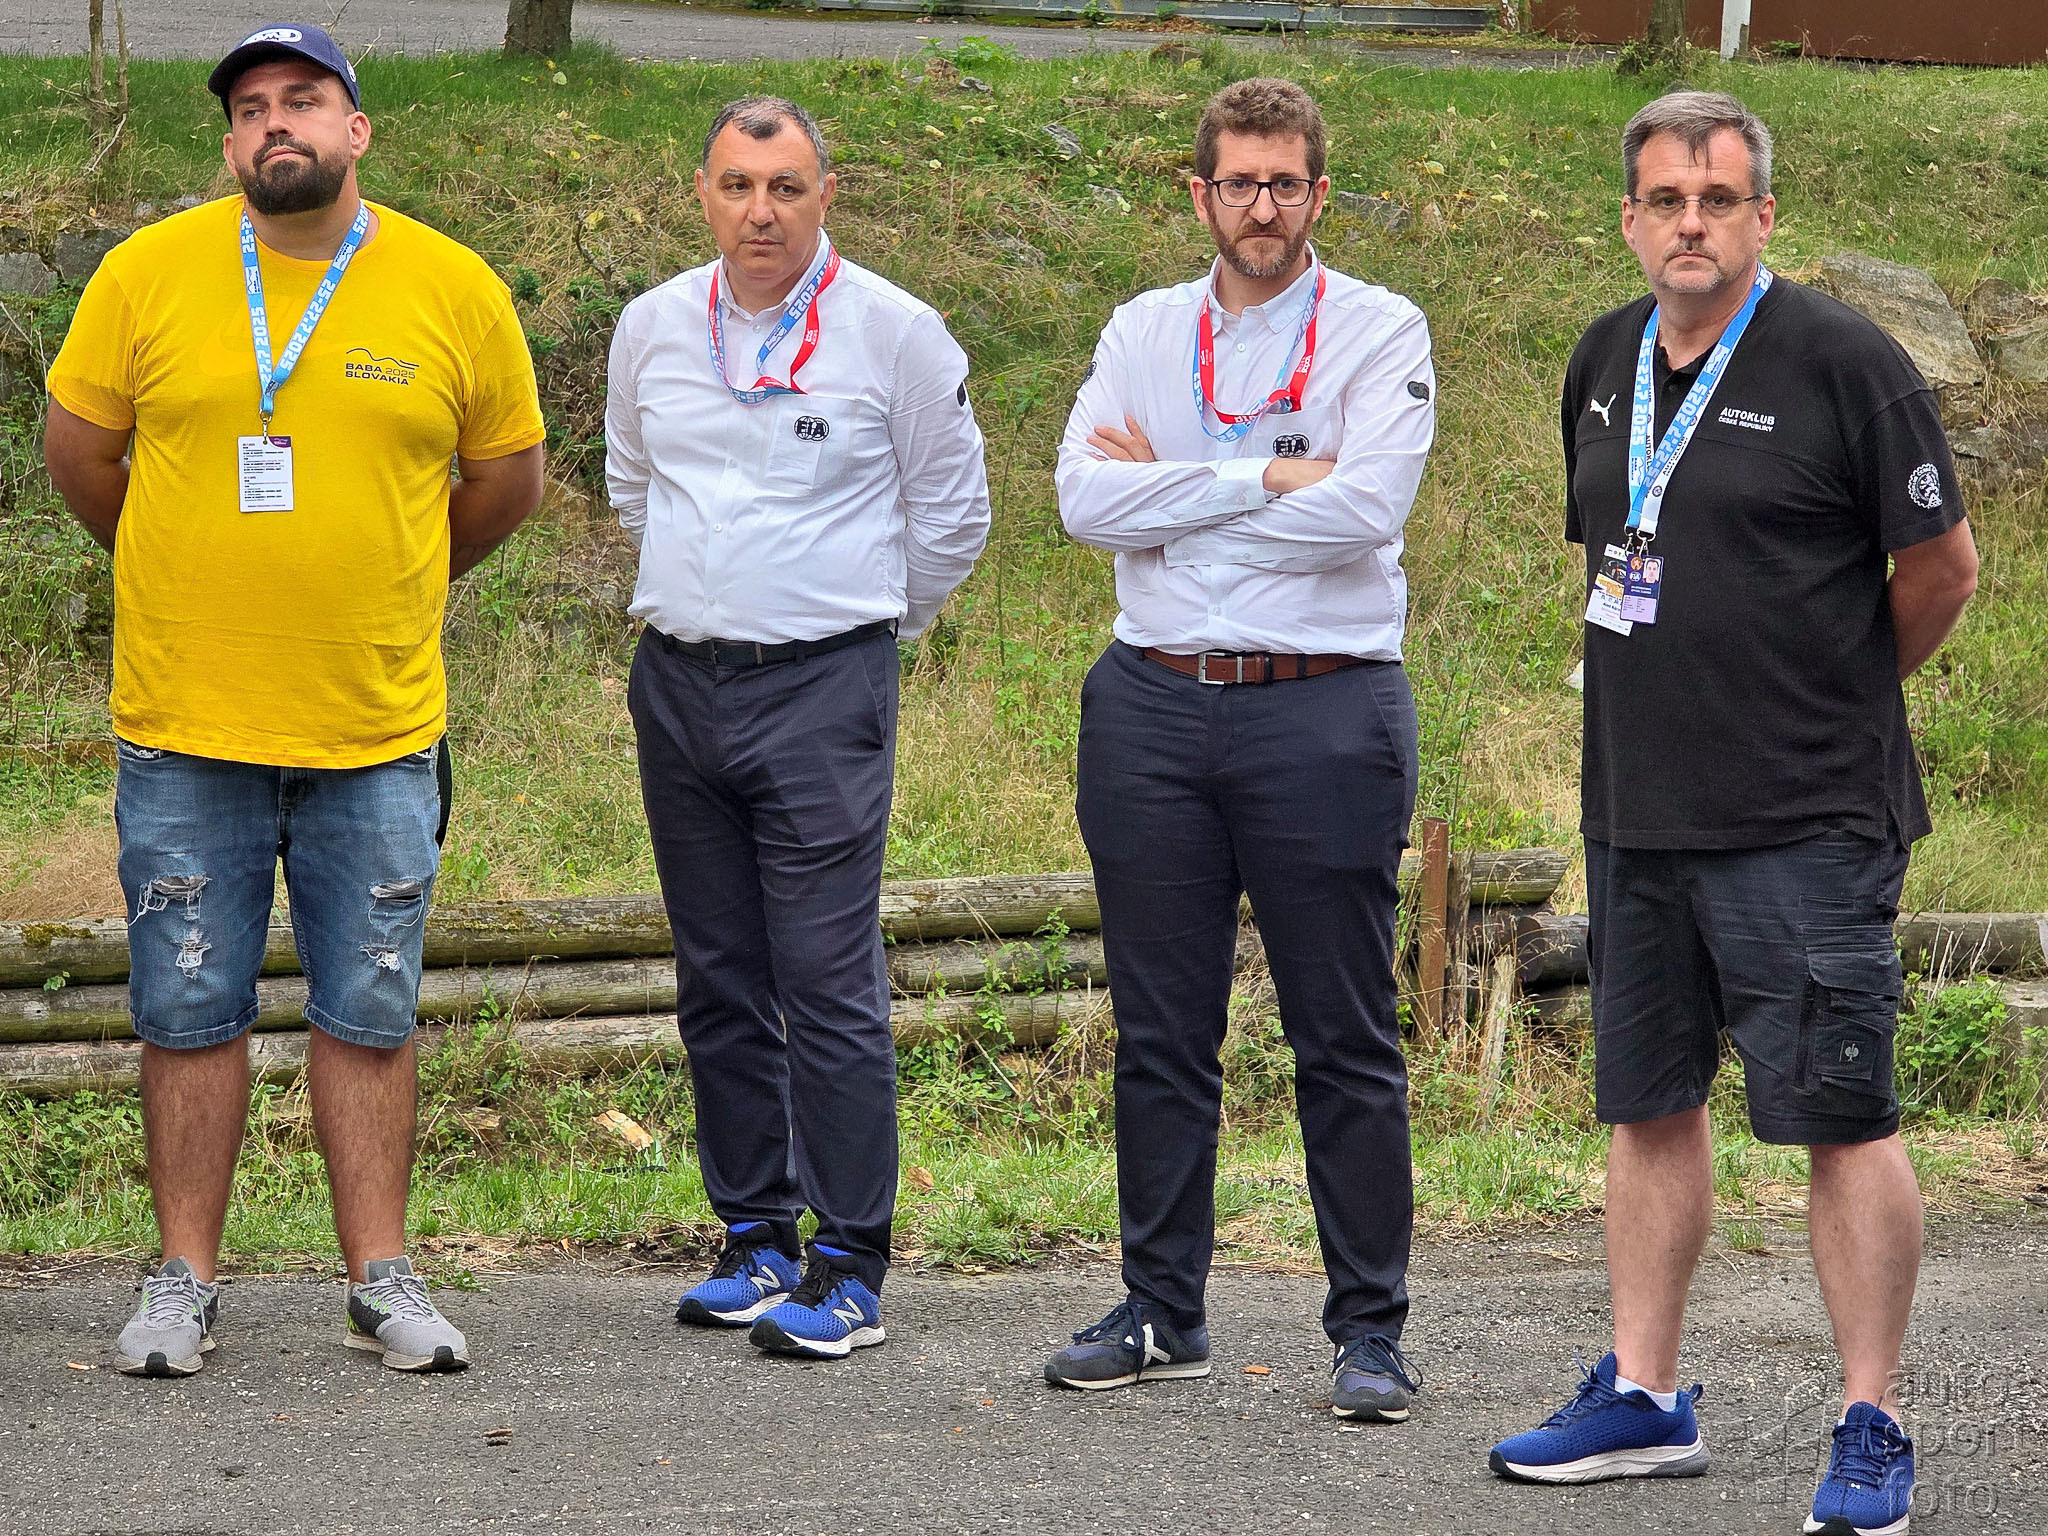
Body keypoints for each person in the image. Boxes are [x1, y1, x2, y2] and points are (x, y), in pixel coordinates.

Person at [1487, 92, 1977, 1536]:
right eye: (1664, 199)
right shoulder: (1601, 359)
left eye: (1715, 199)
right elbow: (1618, 548)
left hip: (1806, 815)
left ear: (1762, 215)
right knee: (1647, 1107)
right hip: (1637, 812)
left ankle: (1871, 1421)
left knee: (1841, 1116)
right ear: (1629, 218)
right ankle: (1644, 1398)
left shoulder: (1844, 361)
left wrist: (1835, 694)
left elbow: (1941, 568)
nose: (1688, 223)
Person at [41, 24, 545, 1377]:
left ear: (356, 130)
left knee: (369, 1009)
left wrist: (393, 573)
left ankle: (381, 1280)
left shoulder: (451, 285)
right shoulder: (146, 273)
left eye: (304, 101)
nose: (278, 123)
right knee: (185, 1006)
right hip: (185, 722)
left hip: (373, 725)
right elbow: (82, 455)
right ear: (228, 144)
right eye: (253, 107)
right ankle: (181, 1284)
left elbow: (506, 478)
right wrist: (180, 568)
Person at [1046, 78, 1435, 1422]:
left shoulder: (1378, 329)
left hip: (1320, 710)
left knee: (1343, 1036)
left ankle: (1369, 1331)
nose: (1259, 207)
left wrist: (1166, 495)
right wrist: (1263, 475)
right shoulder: (1142, 330)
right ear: (1198, 192)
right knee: (1161, 1034)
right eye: (1237, 183)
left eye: (1283, 183)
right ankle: (1161, 1310)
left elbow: (1366, 509)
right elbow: (1081, 500)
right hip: (1151, 705)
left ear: (1318, 193)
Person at [605, 97, 990, 1361]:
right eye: (735, 185)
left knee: (824, 980)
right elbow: (630, 485)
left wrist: (859, 627)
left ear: (827, 194)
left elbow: (951, 516)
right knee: (717, 975)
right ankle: (755, 1238)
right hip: (679, 683)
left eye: (783, 187)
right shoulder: (654, 326)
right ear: (702, 193)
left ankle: (849, 1263)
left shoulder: (895, 333)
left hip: (823, 689)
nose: (758, 211)